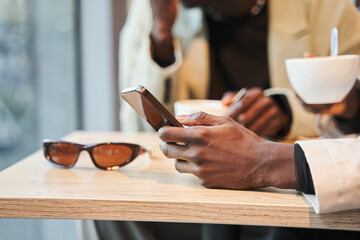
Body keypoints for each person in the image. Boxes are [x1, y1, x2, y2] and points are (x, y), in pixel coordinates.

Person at [119, 0, 360, 140]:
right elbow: (136, 130)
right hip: (187, 190)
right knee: (117, 222)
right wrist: (161, 35)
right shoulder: (156, 9)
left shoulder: (325, 8)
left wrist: (286, 113)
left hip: (284, 191)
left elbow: (353, 108)